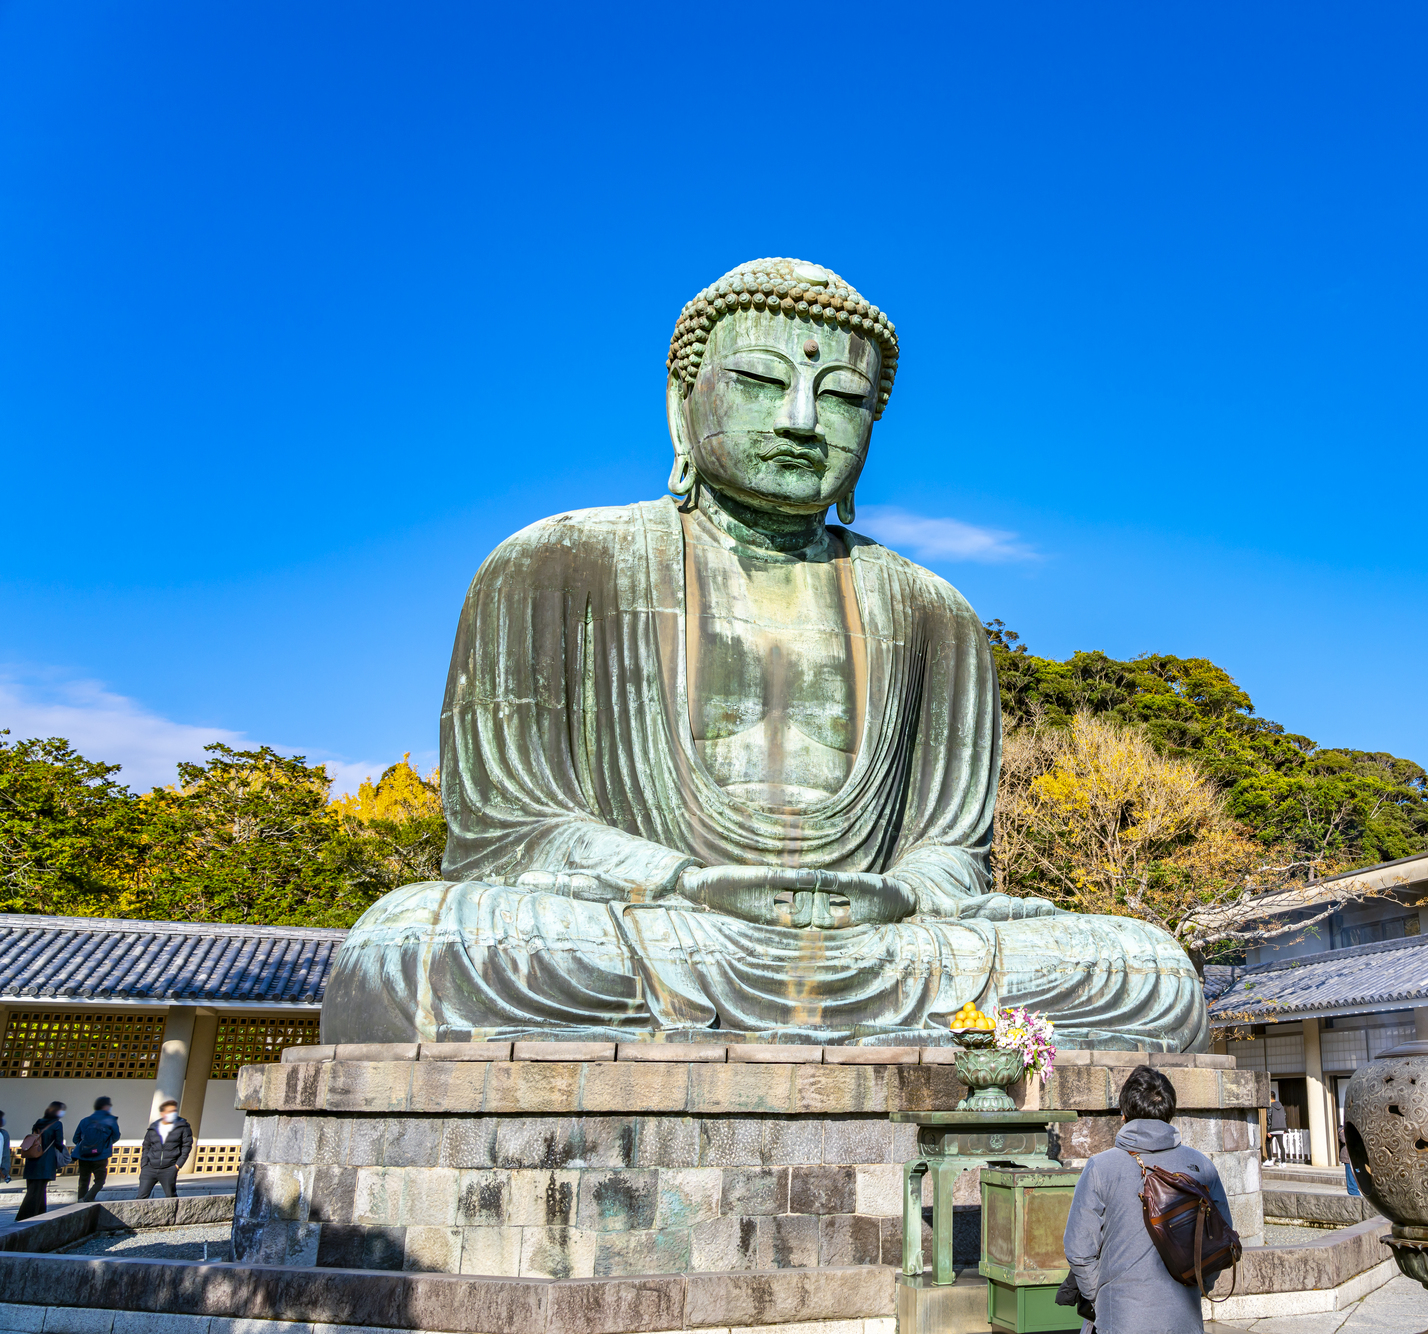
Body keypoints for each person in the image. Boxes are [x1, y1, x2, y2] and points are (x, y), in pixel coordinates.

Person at [319, 256, 1207, 1052]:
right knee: (411, 948)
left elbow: (951, 853)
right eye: (758, 381)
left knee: (1148, 969)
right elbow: (508, 833)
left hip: (879, 942)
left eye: (843, 399)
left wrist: (898, 894)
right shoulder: (553, 566)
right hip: (664, 928)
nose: (801, 419)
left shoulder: (936, 614)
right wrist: (687, 883)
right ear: (682, 401)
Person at [1064, 1067, 1235, 1334]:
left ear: (1124, 1114)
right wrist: (1199, 1284)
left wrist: (1100, 1298)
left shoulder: (1101, 1167)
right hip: (1184, 1320)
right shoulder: (1201, 1166)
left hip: (1119, 1320)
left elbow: (1078, 1249)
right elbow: (1221, 1241)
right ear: (1170, 1113)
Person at [14, 1102, 66, 1221]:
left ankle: (40, 1213)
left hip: (33, 1159)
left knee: (34, 1188)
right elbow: (58, 1142)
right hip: (45, 1161)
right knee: (37, 1190)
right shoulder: (57, 1124)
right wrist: (65, 1153)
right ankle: (25, 1216)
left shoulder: (39, 1122)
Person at [134, 1100, 192, 1199]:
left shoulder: (183, 1126)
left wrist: (178, 1165)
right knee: (141, 1197)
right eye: (169, 1111)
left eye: (174, 1110)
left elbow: (186, 1146)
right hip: (149, 1168)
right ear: (162, 1113)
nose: (173, 1113)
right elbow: (146, 1146)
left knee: (171, 1197)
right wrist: (144, 1164)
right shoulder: (154, 1127)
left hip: (169, 1168)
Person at [72, 1097, 121, 1203]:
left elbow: (75, 1138)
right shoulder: (110, 1120)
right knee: (100, 1181)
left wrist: (87, 1147)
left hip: (84, 1155)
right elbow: (116, 1136)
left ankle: (80, 1202)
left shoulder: (85, 1120)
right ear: (106, 1106)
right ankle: (87, 1198)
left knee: (83, 1180)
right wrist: (102, 1146)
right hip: (101, 1155)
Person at [1265, 1093, 1287, 1163]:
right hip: (1281, 1129)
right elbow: (1284, 1117)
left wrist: (1268, 1131)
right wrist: (1285, 1128)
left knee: (1267, 1143)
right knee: (1281, 1146)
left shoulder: (1270, 1107)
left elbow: (1269, 1118)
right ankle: (1283, 1162)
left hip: (1273, 1129)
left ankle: (1269, 1159)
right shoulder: (1281, 1106)